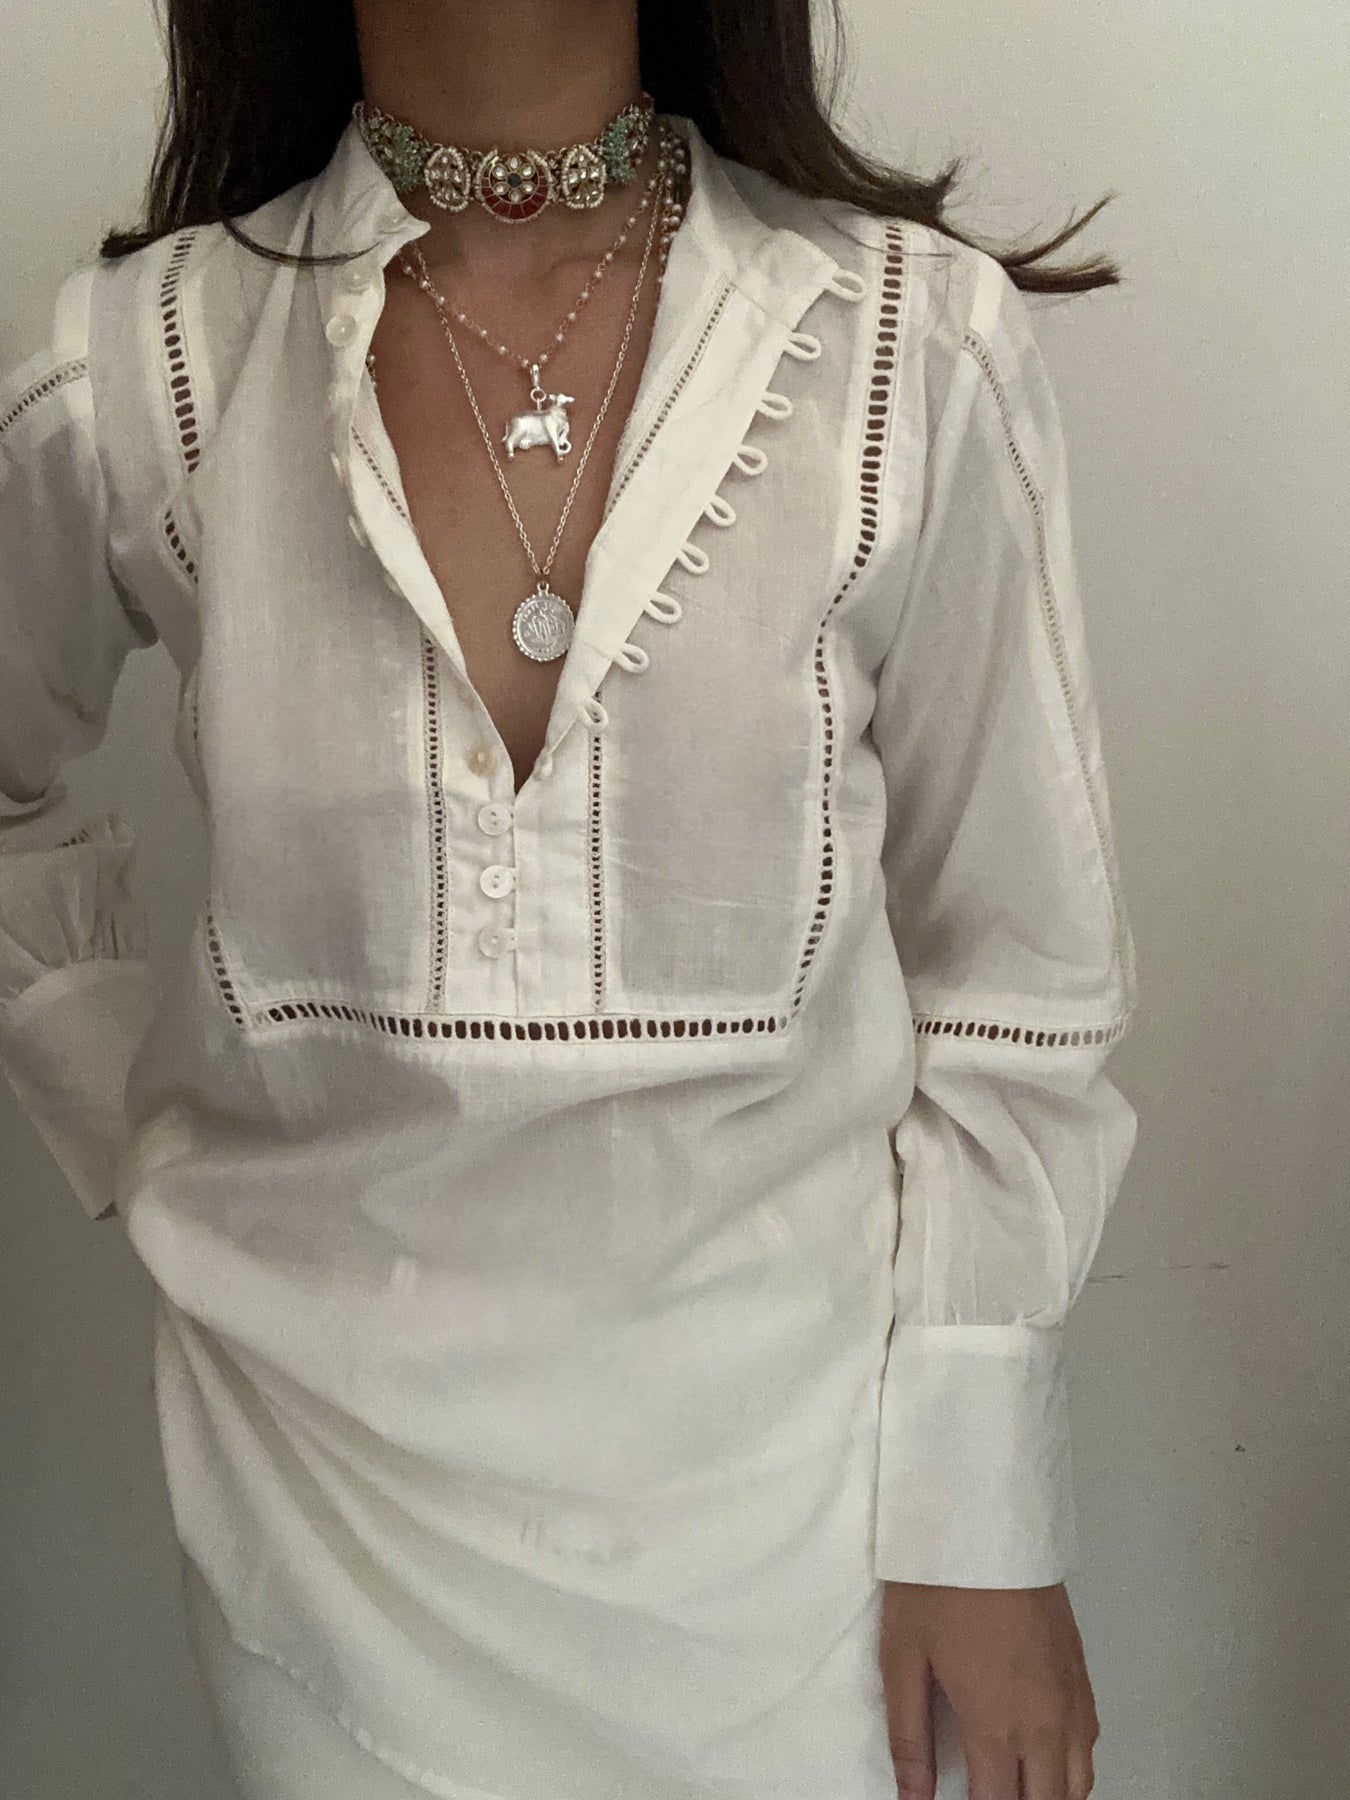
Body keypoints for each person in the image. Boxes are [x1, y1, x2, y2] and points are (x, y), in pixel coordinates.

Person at [0, 2, 1141, 1797]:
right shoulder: (148, 366)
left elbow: (1019, 965)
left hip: (814, 1512)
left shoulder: (910, 346)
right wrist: (131, 1103)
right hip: (329, 1511)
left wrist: (980, 1504)